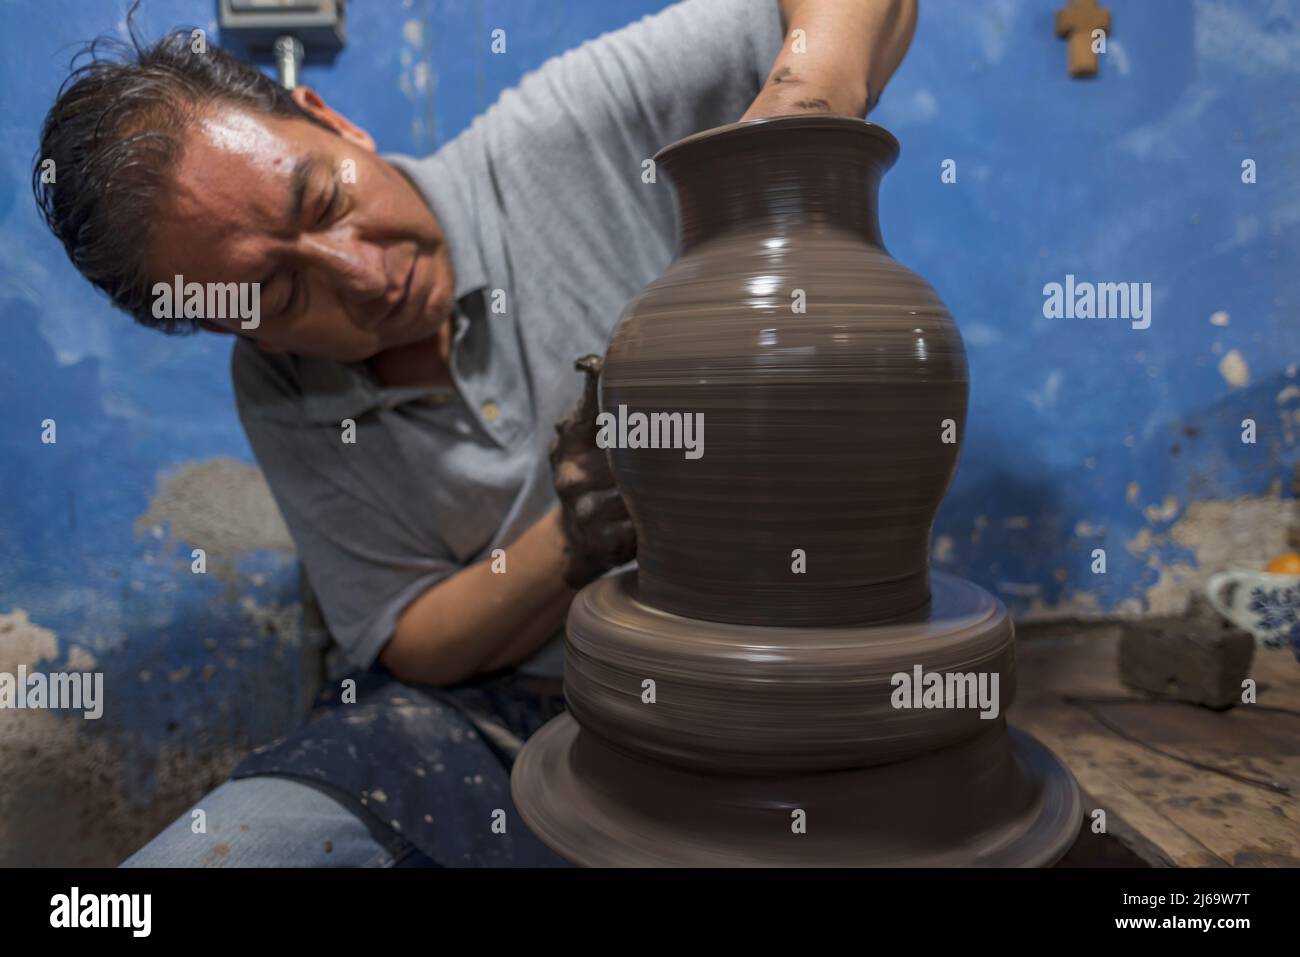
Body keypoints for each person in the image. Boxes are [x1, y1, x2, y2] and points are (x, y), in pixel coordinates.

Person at [33, 0, 917, 866]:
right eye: (279, 292)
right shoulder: (276, 386)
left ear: (328, 118)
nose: (363, 274)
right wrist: (582, 525)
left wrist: (805, 114)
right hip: (502, 714)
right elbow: (406, 633)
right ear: (236, 326)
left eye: (323, 198)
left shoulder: (567, 133)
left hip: (759, 669)